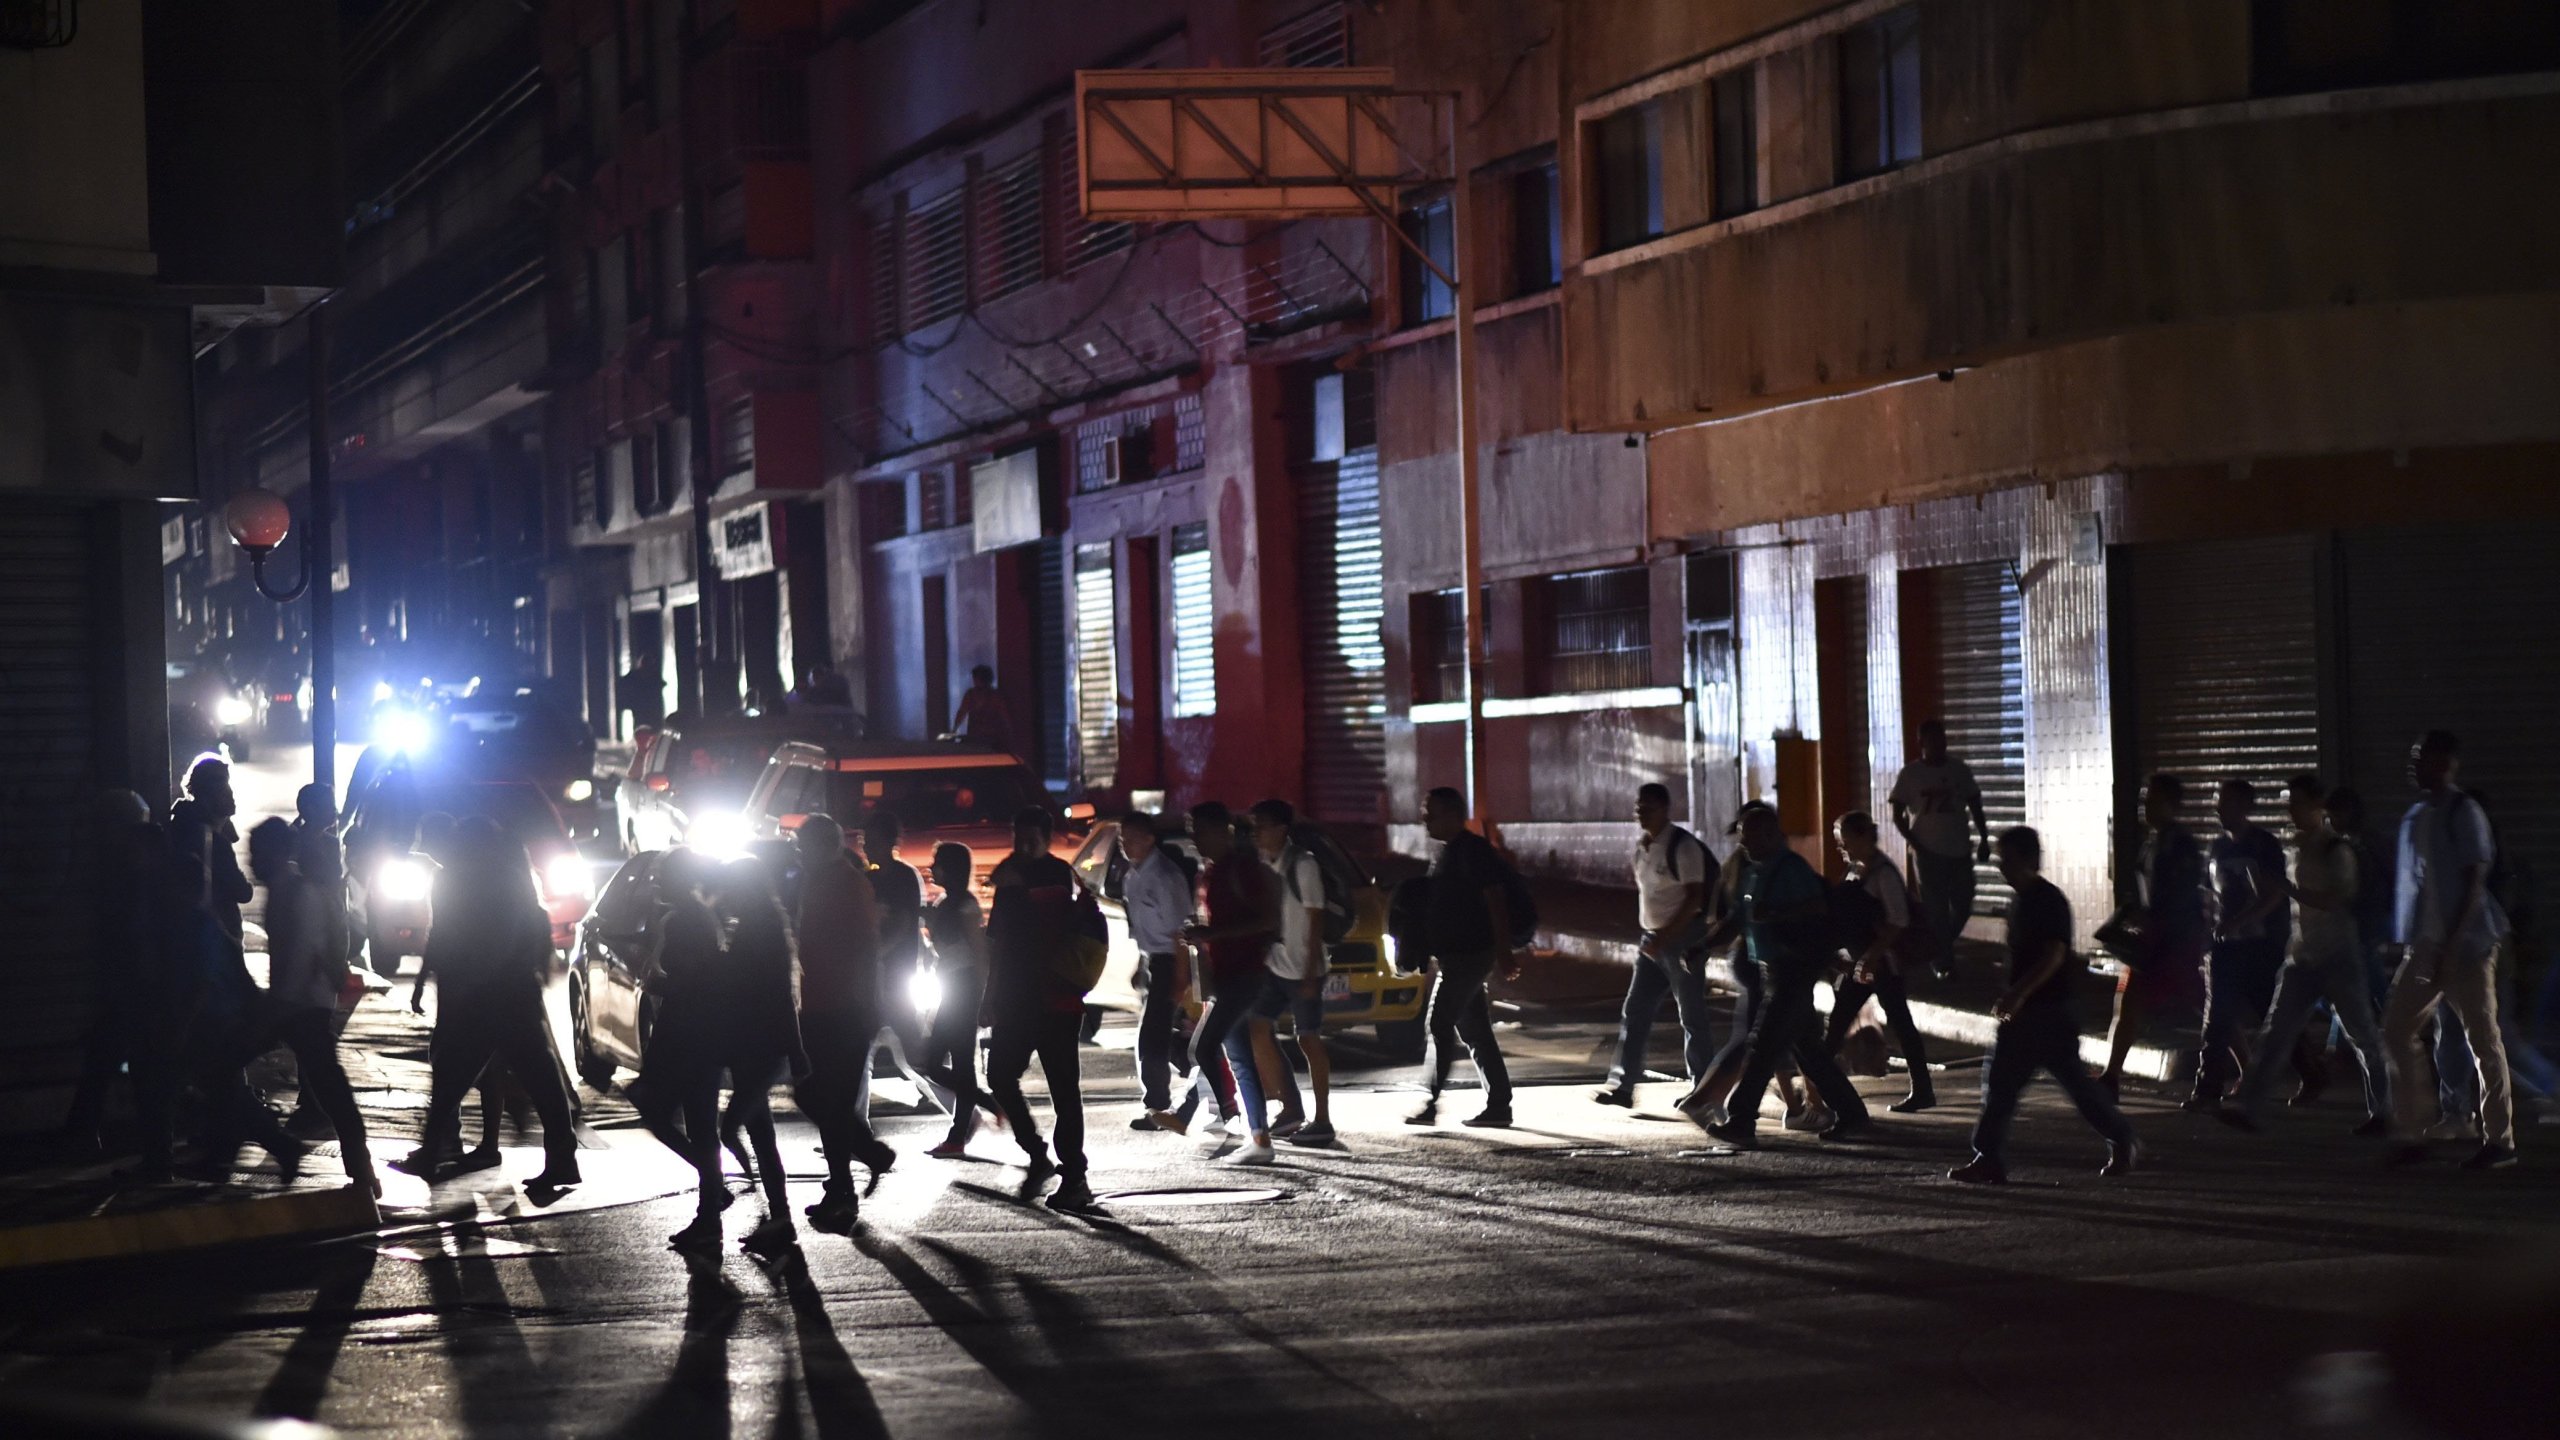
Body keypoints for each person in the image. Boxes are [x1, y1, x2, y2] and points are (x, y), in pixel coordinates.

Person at [1949, 827, 2139, 1184]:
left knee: (2071, 1087)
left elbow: (2055, 954)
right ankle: (1988, 1157)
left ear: (2025, 858)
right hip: (2028, 1012)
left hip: (2048, 1011)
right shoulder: (2020, 900)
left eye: (2007, 857)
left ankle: (2121, 1136)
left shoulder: (2047, 900)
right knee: (2001, 1083)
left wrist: (2019, 992)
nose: (2001, 865)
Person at [402, 817, 581, 1192]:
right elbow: (533, 928)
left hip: (478, 994)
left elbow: (444, 934)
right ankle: (562, 1159)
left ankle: (433, 1150)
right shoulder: (512, 876)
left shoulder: (457, 877)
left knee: (453, 1076)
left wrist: (429, 981)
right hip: (514, 992)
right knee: (541, 1080)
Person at [2221, 775, 2391, 1136]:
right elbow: (2285, 896)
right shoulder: (2295, 847)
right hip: (2302, 956)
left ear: (2318, 806)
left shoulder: (2337, 851)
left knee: (2363, 1035)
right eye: (2288, 804)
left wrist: (2287, 889)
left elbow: (2336, 901)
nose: (2291, 811)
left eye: (2297, 803)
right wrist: (2251, 911)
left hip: (2338, 955)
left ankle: (2385, 1112)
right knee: (2275, 1033)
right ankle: (2248, 1107)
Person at [2381, 731, 2518, 1170]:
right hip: (2426, 947)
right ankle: (2413, 1131)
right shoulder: (2419, 815)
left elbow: (2475, 882)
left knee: (2483, 1040)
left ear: (2445, 763)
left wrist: (2453, 947)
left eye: (2421, 757)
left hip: (2468, 948)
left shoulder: (2464, 811)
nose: (2413, 764)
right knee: (2396, 1030)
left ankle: (2500, 1141)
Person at [1701, 804, 1873, 1149]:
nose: (1744, 844)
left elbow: (1817, 908)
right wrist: (1701, 947)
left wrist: (1776, 913)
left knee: (1762, 1044)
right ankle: (1852, 1113)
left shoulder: (1791, 869)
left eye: (1749, 837)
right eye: (1741, 838)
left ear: (1769, 835)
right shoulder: (1754, 870)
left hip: (1792, 971)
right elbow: (1739, 916)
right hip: (1772, 971)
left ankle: (1741, 1119)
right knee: (1808, 1050)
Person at [241, 819, 375, 1196]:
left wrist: (276, 1008)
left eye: (258, 853)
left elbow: (301, 956)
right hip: (296, 1005)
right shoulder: (285, 891)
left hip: (303, 1006)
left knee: (329, 1085)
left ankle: (353, 1166)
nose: (252, 862)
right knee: (329, 1085)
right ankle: (349, 1164)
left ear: (279, 853)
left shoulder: (299, 895)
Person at [983, 806, 1095, 1209]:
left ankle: (1073, 1175)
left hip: (1056, 998)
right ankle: (1036, 1153)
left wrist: (1014, 888)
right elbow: (998, 943)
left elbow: (1039, 932)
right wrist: (989, 996)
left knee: (1064, 1090)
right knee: (998, 1075)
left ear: (1047, 838)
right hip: (1019, 999)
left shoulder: (1056, 875)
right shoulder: (1010, 877)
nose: (1024, 845)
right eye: (1019, 837)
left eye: (1032, 838)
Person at [789, 815, 894, 1233]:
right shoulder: (819, 881)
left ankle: (843, 1189)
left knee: (824, 1099)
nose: (799, 851)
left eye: (803, 844)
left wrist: (870, 1003)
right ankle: (863, 1157)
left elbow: (867, 948)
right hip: (819, 1005)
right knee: (816, 1096)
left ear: (822, 846)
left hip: (843, 1009)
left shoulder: (847, 884)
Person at [636, 848, 734, 1250]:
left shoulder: (685, 921)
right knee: (698, 1122)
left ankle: (711, 1199)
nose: (657, 883)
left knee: (665, 1115)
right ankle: (711, 1198)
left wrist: (654, 984)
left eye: (662, 877)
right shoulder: (697, 917)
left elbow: (686, 979)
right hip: (699, 1030)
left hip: (685, 1031)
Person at [1597, 782, 1718, 1108]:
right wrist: (1654, 937)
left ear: (1665, 809)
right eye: (1638, 806)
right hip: (1652, 942)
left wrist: (1665, 938)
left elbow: (1694, 899)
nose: (1641, 812)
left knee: (1692, 1015)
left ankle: (1703, 1090)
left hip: (1681, 941)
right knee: (1635, 1012)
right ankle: (1623, 1087)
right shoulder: (1643, 846)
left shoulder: (1683, 846)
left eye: (1648, 807)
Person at [1403, 787, 1517, 1129]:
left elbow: (1495, 901)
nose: (1425, 820)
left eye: (1431, 813)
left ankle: (1431, 1102)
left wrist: (1504, 953)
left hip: (1470, 955)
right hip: (1455, 956)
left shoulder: (1474, 852)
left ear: (1453, 815)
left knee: (1438, 1023)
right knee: (1475, 1031)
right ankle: (1499, 1103)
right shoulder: (1446, 852)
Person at [710, 857, 806, 1255]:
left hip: (761, 1047)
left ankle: (770, 1210)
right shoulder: (761, 927)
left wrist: (795, 1049)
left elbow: (778, 997)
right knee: (760, 1134)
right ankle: (778, 1217)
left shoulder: (756, 933)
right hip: (758, 1046)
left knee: (735, 1127)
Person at [1181, 801, 1282, 1163]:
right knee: (1238, 1058)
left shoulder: (1243, 869)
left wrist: (1215, 933)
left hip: (1246, 973)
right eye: (1191, 830)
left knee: (1203, 1047)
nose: (1194, 838)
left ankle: (1233, 1120)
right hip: (1224, 976)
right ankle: (1259, 1139)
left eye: (1200, 830)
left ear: (1222, 831)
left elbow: (1267, 921)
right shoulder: (1207, 872)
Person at [2098, 773, 2209, 1095]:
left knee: (2204, 1004)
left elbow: (2183, 893)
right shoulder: (2152, 842)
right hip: (2153, 942)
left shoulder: (2180, 844)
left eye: (2152, 799)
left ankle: (2247, 1066)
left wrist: (2160, 927)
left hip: (2175, 943)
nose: (2144, 805)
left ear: (2172, 804)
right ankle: (2111, 1074)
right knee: (2128, 1002)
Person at [2189, 778, 2292, 1111]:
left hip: (2262, 945)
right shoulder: (2217, 847)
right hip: (2225, 946)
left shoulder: (2264, 845)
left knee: (2270, 1015)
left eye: (2228, 802)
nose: (2220, 809)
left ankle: (2310, 1070)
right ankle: (2207, 1090)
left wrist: (2242, 922)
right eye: (2219, 802)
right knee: (2217, 1017)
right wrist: (2208, 931)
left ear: (2247, 807)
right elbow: (2210, 895)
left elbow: (2275, 894)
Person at [1826, 810, 1937, 1113]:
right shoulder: (1855, 869)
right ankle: (1824, 1089)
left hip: (1883, 962)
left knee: (1899, 1023)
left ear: (1863, 837)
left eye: (1844, 840)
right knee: (1839, 1022)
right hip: (1862, 961)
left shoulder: (1883, 874)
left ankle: (1922, 1091)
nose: (1841, 847)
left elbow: (1897, 921)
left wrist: (1871, 958)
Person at [1250, 799, 1335, 1145]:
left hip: (1303, 968)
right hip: (1275, 963)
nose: (1256, 833)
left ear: (1281, 829)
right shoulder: (1264, 864)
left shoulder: (1304, 865)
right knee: (1256, 1028)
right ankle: (1288, 1108)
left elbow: (1316, 918)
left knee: (1308, 1038)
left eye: (1262, 826)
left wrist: (1311, 972)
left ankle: (1323, 1120)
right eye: (1253, 826)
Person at [1118, 815, 1202, 1134]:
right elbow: (1142, 931)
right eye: (1123, 839)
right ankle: (1196, 1090)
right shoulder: (1133, 875)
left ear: (1150, 838)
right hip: (1155, 961)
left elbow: (1180, 931)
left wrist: (1181, 979)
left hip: (1173, 961)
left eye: (1132, 838)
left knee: (1153, 1039)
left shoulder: (1165, 876)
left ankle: (1159, 1107)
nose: (1126, 845)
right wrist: (1141, 969)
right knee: (1167, 1038)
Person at [916, 841, 1001, 1157]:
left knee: (953, 1063)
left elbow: (980, 955)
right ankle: (980, 1112)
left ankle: (960, 1133)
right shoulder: (946, 902)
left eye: (937, 862)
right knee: (938, 1063)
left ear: (951, 868)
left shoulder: (964, 905)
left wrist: (984, 999)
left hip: (964, 987)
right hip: (951, 985)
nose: (931, 867)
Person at [1887, 719, 1989, 969]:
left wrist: (1984, 837)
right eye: (1933, 740)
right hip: (1928, 851)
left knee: (1963, 903)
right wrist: (1913, 842)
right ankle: (1943, 958)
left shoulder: (1958, 770)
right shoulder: (1911, 774)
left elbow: (1975, 804)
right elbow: (1897, 812)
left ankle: (1938, 947)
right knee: (1937, 908)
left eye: (1942, 739)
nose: (1939, 745)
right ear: (1922, 743)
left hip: (1960, 850)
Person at [863, 810, 939, 1110]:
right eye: (864, 839)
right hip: (877, 967)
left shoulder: (904, 876)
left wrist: (879, 953)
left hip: (896, 968)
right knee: (875, 1033)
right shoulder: (868, 877)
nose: (867, 845)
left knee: (905, 1031)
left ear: (889, 841)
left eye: (872, 839)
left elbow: (905, 923)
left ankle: (932, 1088)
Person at [170, 755, 256, 946]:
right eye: (224, 786)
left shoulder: (184, 824)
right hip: (214, 940)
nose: (231, 793)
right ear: (209, 794)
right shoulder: (210, 840)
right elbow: (242, 891)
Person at [953, 665, 1013, 748]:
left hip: (989, 738)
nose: (973, 681)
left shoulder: (974, 695)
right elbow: (962, 712)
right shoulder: (973, 694)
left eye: (975, 678)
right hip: (983, 737)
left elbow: (962, 713)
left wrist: (954, 729)